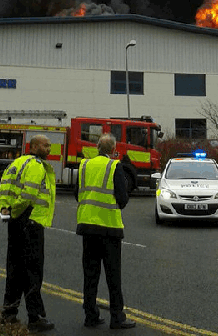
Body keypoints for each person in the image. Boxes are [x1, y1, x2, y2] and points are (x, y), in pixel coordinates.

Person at [0, 135, 56, 333]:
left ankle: (8, 313)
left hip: (14, 223)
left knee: (14, 269)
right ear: (35, 146)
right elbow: (28, 197)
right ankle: (35, 317)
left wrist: (7, 213)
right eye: (46, 146)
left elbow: (3, 193)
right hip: (30, 223)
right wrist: (17, 212)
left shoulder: (16, 163)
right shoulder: (36, 165)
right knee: (32, 271)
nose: (49, 149)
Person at [75, 133, 135, 330]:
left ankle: (90, 315)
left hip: (87, 226)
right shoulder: (114, 166)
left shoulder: (84, 165)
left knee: (90, 274)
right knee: (113, 276)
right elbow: (122, 198)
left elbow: (78, 194)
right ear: (113, 150)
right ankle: (117, 317)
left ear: (96, 147)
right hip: (109, 228)